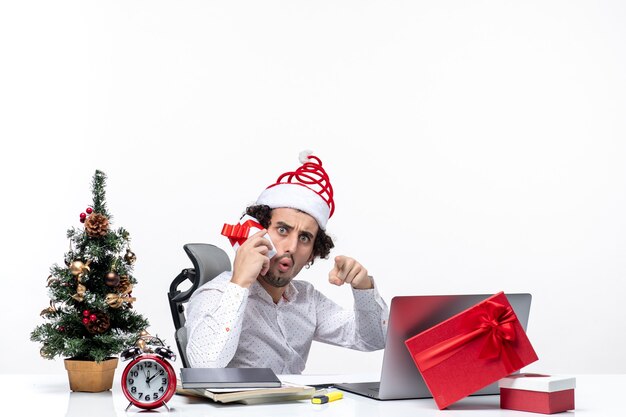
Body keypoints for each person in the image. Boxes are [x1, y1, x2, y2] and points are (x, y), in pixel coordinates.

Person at [185, 151, 389, 374]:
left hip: (296, 408)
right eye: (282, 230)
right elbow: (204, 367)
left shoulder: (307, 300)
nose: (292, 247)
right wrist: (240, 283)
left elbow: (373, 340)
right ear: (255, 232)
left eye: (304, 238)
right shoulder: (216, 294)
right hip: (241, 409)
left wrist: (363, 287)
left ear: (312, 253)